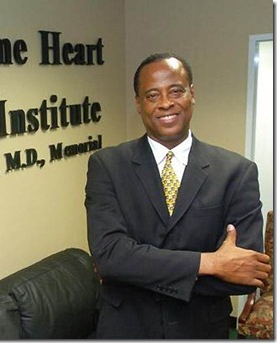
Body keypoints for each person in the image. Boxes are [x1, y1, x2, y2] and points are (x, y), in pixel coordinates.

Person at [85, 52, 271, 339]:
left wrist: (139, 272)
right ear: (138, 103)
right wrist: (211, 263)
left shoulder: (237, 171)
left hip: (201, 329)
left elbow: (248, 274)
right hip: (127, 328)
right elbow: (110, 257)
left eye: (175, 91)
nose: (165, 103)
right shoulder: (107, 166)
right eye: (152, 95)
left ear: (191, 94)